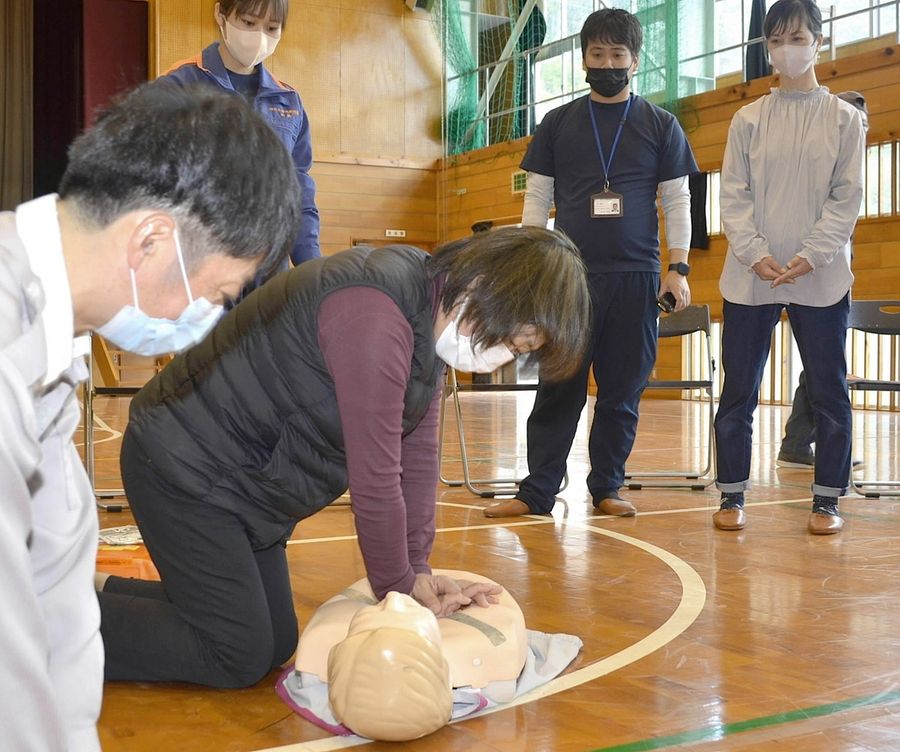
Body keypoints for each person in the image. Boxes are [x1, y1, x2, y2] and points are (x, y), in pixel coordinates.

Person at [97, 226, 591, 688]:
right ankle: (48, 625)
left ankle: (96, 594)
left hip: (245, 487)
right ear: (487, 287)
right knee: (236, 653)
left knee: (275, 643)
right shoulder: (374, 314)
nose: (503, 356)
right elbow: (375, 479)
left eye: (520, 349)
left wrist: (416, 569)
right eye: (512, 339)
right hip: (183, 466)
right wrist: (399, 592)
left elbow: (416, 459)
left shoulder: (429, 318)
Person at [0, 84, 300, 752]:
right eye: (218, 294)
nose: (209, 321)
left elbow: (58, 585)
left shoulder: (51, 337)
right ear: (150, 241)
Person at [484, 8, 698, 519]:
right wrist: (533, 266)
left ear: (635, 61)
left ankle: (608, 487)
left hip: (637, 277)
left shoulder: (660, 125)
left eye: (617, 55)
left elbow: (677, 202)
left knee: (622, 391)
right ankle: (536, 492)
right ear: (583, 59)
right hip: (567, 280)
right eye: (597, 54)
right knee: (558, 388)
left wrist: (679, 267)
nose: (607, 63)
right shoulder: (558, 123)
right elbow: (537, 199)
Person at [712, 0, 865, 535]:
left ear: (819, 41)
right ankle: (731, 495)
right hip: (751, 275)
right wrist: (757, 253)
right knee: (740, 389)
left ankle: (827, 500)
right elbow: (733, 196)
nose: (785, 49)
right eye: (775, 40)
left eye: (796, 38)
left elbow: (846, 198)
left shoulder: (845, 119)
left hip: (820, 277)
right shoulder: (746, 118)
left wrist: (810, 255)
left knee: (828, 388)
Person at [160, 0, 319, 271]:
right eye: (248, 23)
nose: (259, 37)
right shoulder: (178, 85)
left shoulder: (287, 100)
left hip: (268, 268)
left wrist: (312, 265)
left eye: (271, 28)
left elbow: (298, 190)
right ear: (220, 14)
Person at [776, 90, 868, 470]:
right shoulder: (821, 159)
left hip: (835, 270)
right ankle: (804, 444)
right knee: (823, 368)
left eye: (865, 126)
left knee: (820, 366)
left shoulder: (853, 166)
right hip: (808, 266)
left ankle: (799, 442)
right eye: (856, 125)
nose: (859, 132)